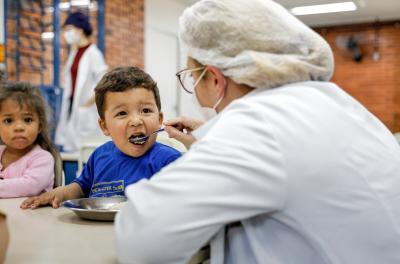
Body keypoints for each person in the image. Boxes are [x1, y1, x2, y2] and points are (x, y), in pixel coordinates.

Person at [115, 0, 400, 263]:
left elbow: (141, 239)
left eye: (192, 77)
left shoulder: (257, 125)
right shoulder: (333, 102)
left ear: (214, 79)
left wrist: (219, 141)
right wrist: (210, 139)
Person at [21, 67, 181, 209]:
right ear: (104, 126)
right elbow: (80, 187)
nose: (136, 121)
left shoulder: (170, 161)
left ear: (160, 119)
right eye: (122, 113)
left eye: (146, 110)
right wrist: (59, 194)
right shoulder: (100, 156)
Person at [55, 11, 108, 152]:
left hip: (86, 109)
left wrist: (87, 104)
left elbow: (104, 83)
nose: (66, 33)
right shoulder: (74, 53)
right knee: (71, 149)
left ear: (80, 29)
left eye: (68, 29)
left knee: (86, 151)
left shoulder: (94, 54)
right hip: (72, 105)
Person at [0, 82, 61, 198]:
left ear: (40, 126)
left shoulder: (43, 158)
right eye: (8, 121)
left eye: (27, 120)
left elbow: (29, 186)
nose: (19, 127)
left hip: (33, 216)